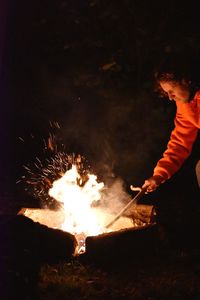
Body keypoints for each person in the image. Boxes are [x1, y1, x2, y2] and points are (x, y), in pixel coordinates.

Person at [142, 52, 200, 193]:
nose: (169, 97)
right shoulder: (185, 106)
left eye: (172, 91)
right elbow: (180, 143)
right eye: (166, 92)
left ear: (186, 80)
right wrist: (159, 175)